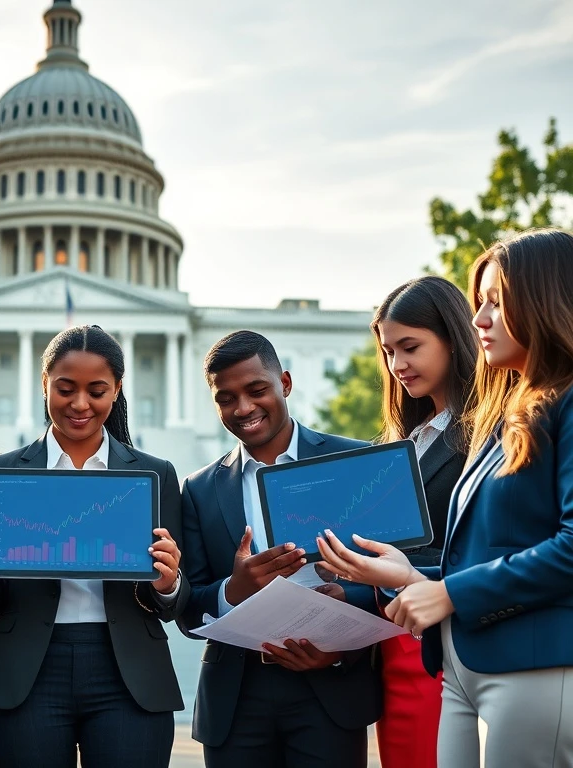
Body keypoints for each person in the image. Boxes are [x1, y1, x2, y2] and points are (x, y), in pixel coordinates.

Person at [317, 229, 573, 767]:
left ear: (545, 301)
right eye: (479, 303)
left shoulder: (547, 412)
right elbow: (473, 552)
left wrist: (446, 591)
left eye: (495, 303)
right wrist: (403, 576)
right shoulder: (508, 420)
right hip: (457, 659)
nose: (479, 318)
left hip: (524, 656)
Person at [0, 324, 188, 768]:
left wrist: (169, 583)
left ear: (117, 390)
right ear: (44, 384)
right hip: (29, 670)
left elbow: (176, 603)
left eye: (97, 390)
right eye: (65, 389)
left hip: (128, 673)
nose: (80, 404)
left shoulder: (155, 474)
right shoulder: (3, 473)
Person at [177, 330, 381, 768]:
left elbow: (392, 577)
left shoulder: (353, 462)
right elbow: (188, 610)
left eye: (256, 390)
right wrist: (235, 589)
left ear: (284, 383)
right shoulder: (198, 489)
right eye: (226, 398)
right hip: (236, 697)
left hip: (330, 688)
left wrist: (345, 619)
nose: (244, 408)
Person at [369, 275, 478, 768]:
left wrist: (400, 567)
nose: (397, 366)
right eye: (389, 352)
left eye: (410, 347)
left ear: (454, 339)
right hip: (392, 640)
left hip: (447, 638)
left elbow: (479, 544)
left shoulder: (485, 433)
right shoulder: (403, 441)